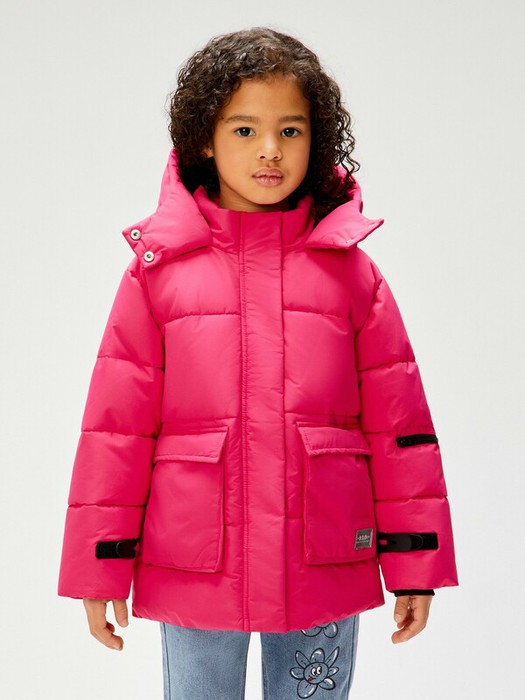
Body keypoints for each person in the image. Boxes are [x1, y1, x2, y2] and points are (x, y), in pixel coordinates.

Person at [57, 26, 459, 699]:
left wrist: (415, 561)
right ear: (204, 141)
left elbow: (400, 429)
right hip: (195, 564)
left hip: (322, 561)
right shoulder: (158, 276)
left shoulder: (351, 275)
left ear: (316, 140)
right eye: (244, 130)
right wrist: (99, 567)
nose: (270, 149)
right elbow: (116, 432)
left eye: (290, 130)